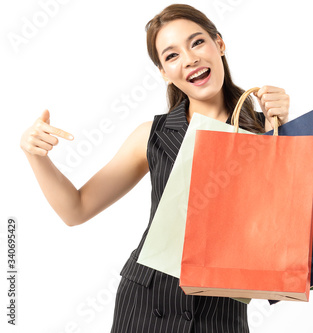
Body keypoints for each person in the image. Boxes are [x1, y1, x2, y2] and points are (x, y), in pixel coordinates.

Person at [19, 4, 289, 333]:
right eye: (171, 56)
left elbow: (292, 228)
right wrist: (36, 156)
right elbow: (76, 209)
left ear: (219, 43)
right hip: (147, 304)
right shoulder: (153, 135)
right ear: (163, 72)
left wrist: (283, 130)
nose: (189, 59)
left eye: (197, 42)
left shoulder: (265, 133)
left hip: (222, 312)